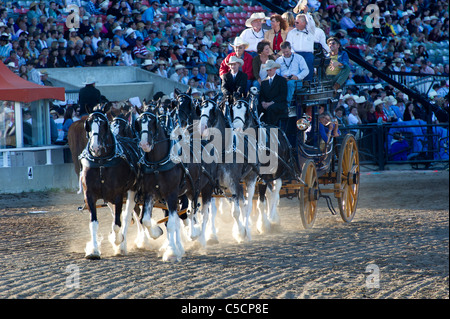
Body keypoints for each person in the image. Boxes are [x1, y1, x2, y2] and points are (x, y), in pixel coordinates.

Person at [285, 6, 315, 82]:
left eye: (297, 22)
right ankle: (294, 81)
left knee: (309, 60)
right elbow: (288, 44)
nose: (295, 24)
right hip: (295, 53)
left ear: (304, 23)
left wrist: (306, 13)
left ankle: (307, 82)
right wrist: (293, 52)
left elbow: (311, 23)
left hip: (307, 53)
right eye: (295, 22)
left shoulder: (310, 31)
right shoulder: (292, 32)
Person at [275, 41, 309, 107]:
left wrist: (297, 76)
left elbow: (306, 70)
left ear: (290, 49)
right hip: (284, 80)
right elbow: (276, 73)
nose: (285, 53)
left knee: (290, 84)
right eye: (283, 52)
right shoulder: (278, 60)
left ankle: (287, 105)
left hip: (297, 81)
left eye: (287, 51)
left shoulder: (299, 58)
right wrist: (282, 77)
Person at [258, 60, 288, 126]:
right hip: (267, 103)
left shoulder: (281, 80)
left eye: (270, 70)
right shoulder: (264, 82)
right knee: (258, 107)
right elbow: (262, 95)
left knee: (271, 109)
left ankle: (270, 128)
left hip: (278, 103)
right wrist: (263, 102)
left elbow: (283, 95)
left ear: (274, 69)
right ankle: (259, 128)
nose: (268, 72)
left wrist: (271, 103)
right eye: (267, 70)